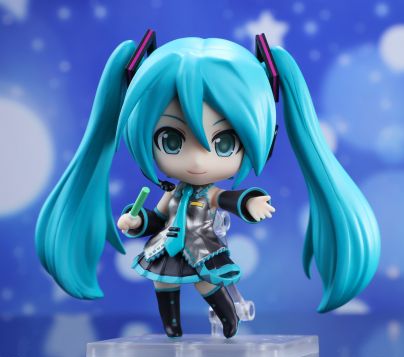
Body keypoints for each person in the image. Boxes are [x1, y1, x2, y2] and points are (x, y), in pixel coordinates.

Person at [35, 34, 380, 339]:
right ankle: (172, 327)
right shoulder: (172, 194)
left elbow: (227, 199)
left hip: (202, 248)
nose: (198, 161)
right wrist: (137, 221)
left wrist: (250, 203)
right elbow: (158, 219)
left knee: (205, 282)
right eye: (171, 140)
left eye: (224, 143)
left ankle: (229, 318)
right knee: (162, 281)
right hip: (168, 246)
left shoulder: (207, 193)